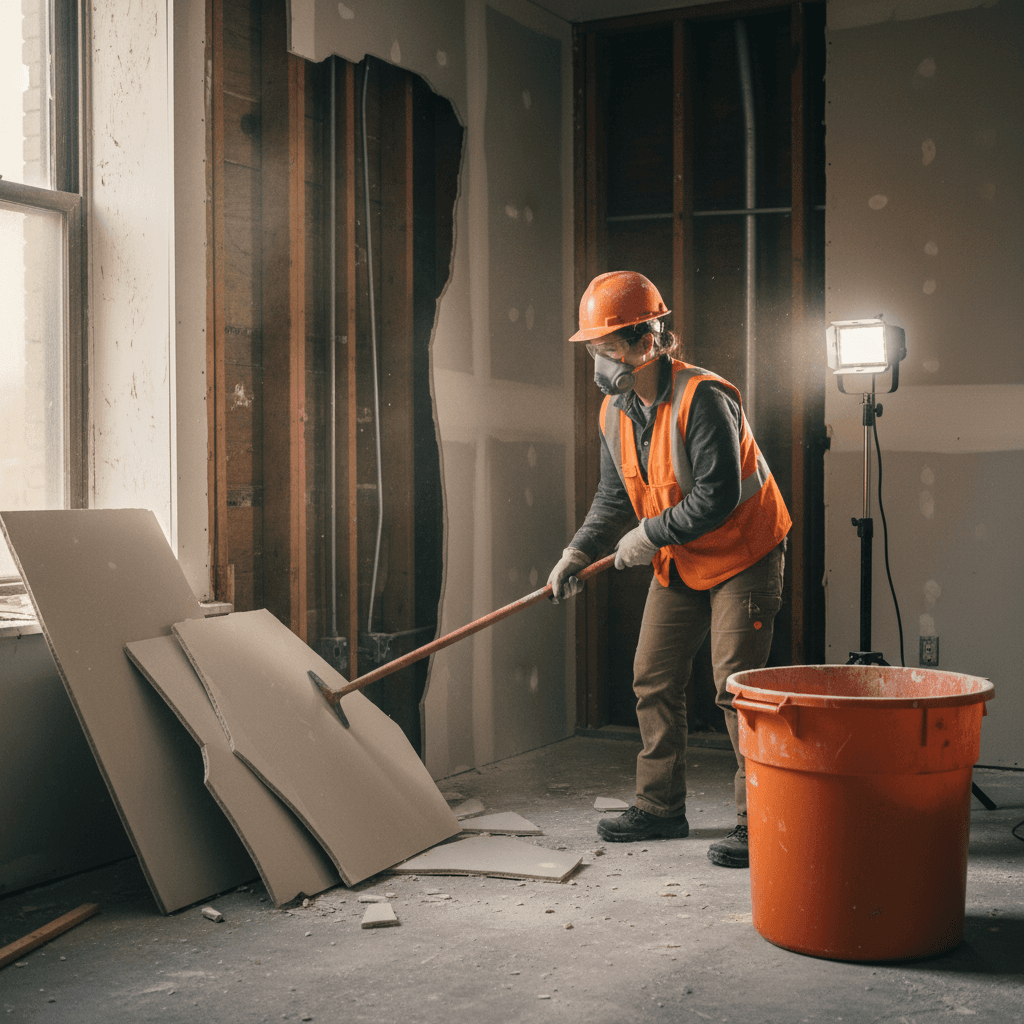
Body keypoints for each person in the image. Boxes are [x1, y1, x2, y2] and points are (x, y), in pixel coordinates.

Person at [548, 271, 791, 868]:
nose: (600, 365)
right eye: (595, 352)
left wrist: (645, 537)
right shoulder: (614, 411)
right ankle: (659, 808)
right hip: (681, 557)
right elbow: (613, 497)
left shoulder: (703, 398)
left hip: (743, 553)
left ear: (646, 343)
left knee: (735, 689)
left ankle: (755, 822)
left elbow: (716, 495)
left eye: (606, 350)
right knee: (652, 676)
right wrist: (577, 552)